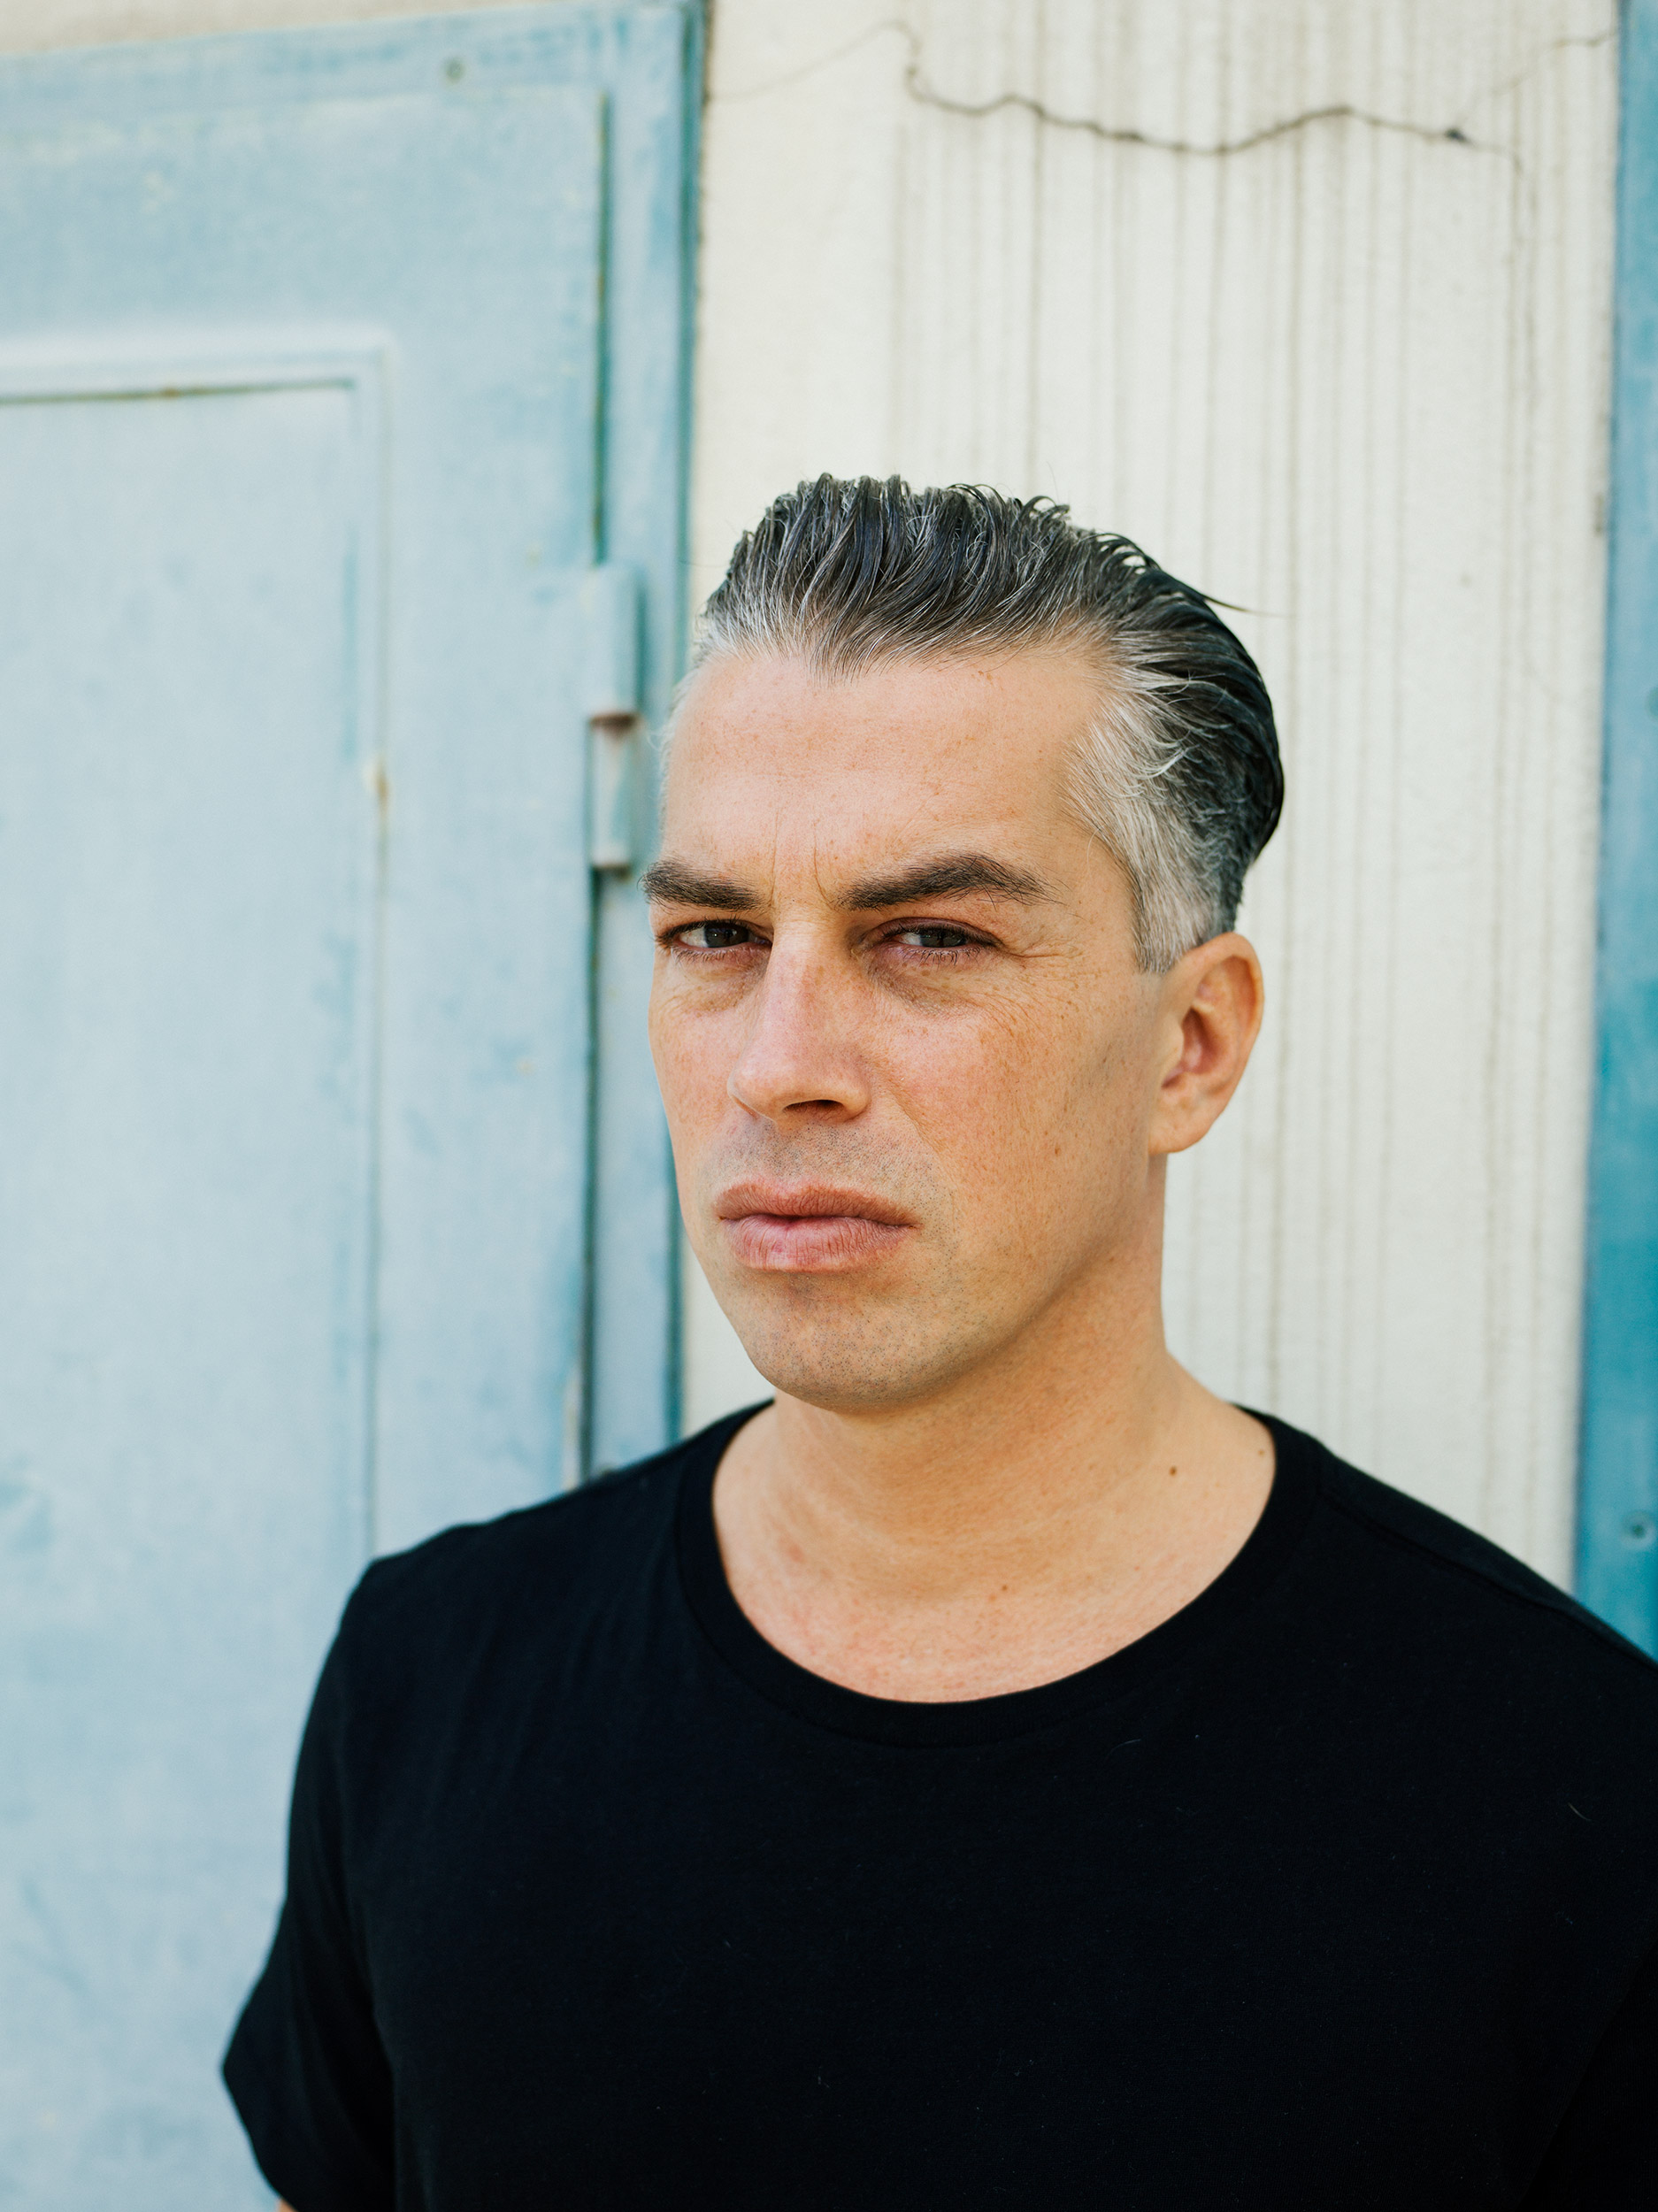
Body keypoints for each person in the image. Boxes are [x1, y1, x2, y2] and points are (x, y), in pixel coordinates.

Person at [226, 478, 1658, 2210]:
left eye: (928, 937)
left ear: (1190, 1045)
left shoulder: (1574, 1806)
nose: (778, 1065)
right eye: (715, 935)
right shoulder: (430, 1682)